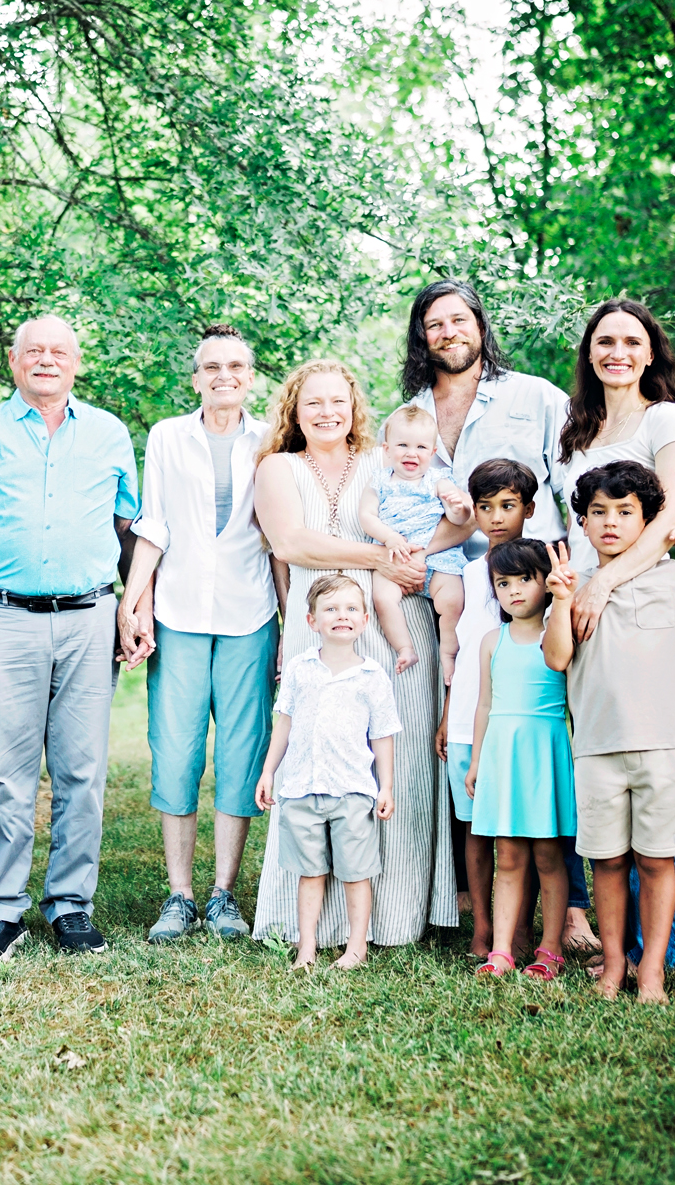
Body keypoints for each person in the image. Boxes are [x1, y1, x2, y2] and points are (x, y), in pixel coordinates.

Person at [0, 314, 139, 962]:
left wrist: (136, 607)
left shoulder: (109, 433)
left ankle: (72, 906)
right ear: (14, 362)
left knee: (82, 771)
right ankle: (2, 912)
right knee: (9, 776)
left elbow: (133, 530)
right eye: (33, 351)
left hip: (90, 617)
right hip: (7, 618)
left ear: (76, 363)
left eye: (59, 351)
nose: (46, 360)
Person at [398, 280, 595, 947]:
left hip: (530, 590)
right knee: (465, 738)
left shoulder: (534, 395)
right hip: (451, 591)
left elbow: (575, 486)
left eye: (458, 319)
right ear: (421, 337)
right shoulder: (413, 413)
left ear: (480, 325)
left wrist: (576, 580)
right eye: (434, 323)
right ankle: (470, 902)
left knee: (543, 732)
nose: (448, 331)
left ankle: (570, 909)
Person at [544, 461, 675, 1002]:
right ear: (584, 524)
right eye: (598, 513)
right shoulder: (576, 587)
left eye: (625, 512)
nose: (611, 522)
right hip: (596, 749)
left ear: (647, 522)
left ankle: (652, 971)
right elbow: (557, 659)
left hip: (665, 748)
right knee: (609, 862)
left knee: (657, 861)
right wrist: (563, 599)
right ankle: (614, 965)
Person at [250, 360, 448, 948]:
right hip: (317, 627)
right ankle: (308, 919)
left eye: (338, 401)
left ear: (354, 406)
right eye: (313, 403)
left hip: (393, 622)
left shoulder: (380, 459)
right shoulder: (277, 468)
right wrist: (378, 558)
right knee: (315, 757)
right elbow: (291, 543)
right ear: (294, 410)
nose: (327, 412)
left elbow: (432, 514)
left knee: (398, 758)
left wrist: (412, 557)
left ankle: (395, 915)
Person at [548, 298, 675, 974]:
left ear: (651, 353)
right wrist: (570, 590)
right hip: (582, 607)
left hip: (637, 597)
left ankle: (669, 947)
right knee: (606, 764)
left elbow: (669, 517)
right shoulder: (577, 430)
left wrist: (606, 583)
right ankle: (619, 945)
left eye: (631, 341)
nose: (617, 351)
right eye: (604, 340)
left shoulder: (665, 417)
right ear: (589, 352)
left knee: (659, 767)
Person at [117, 325, 281, 944]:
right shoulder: (166, 437)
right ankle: (180, 894)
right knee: (177, 751)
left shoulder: (272, 440)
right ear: (196, 379)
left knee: (242, 754)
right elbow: (152, 525)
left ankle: (223, 896)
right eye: (211, 367)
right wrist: (133, 604)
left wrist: (290, 626)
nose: (223, 376)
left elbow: (278, 541)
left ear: (250, 376)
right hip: (180, 614)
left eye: (236, 366)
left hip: (250, 615)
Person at [254, 574, 399, 970]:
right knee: (310, 873)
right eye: (331, 609)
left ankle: (356, 947)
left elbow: (382, 736)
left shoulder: (372, 676)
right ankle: (307, 947)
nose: (342, 616)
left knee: (356, 873)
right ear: (311, 620)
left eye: (352, 608)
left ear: (365, 620)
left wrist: (385, 786)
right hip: (302, 788)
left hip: (353, 791)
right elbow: (283, 724)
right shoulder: (300, 670)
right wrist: (269, 772)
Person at [440, 458, 542, 960]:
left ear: (529, 507)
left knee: (519, 830)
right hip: (465, 721)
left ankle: (520, 927)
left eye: (508, 505)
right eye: (485, 507)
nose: (496, 516)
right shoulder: (470, 571)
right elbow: (458, 647)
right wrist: (445, 715)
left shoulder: (537, 572)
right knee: (474, 828)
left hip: (516, 723)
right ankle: (483, 927)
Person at [464, 539, 576, 981]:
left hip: (545, 752)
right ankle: (502, 950)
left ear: (545, 584)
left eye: (524, 580)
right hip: (502, 756)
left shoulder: (558, 637)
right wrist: (476, 762)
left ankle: (549, 949)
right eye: (502, 583)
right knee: (508, 856)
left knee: (549, 856)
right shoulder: (493, 641)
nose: (513, 591)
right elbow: (484, 706)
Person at [357, 404, 473, 674]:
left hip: (437, 557)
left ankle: (448, 655)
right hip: (395, 557)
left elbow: (458, 520)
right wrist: (389, 538)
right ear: (386, 449)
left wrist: (459, 508)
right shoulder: (380, 481)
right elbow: (367, 516)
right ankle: (405, 648)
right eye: (402, 445)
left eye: (421, 447)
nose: (412, 453)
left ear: (432, 453)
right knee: (383, 599)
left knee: (453, 600)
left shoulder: (438, 479)